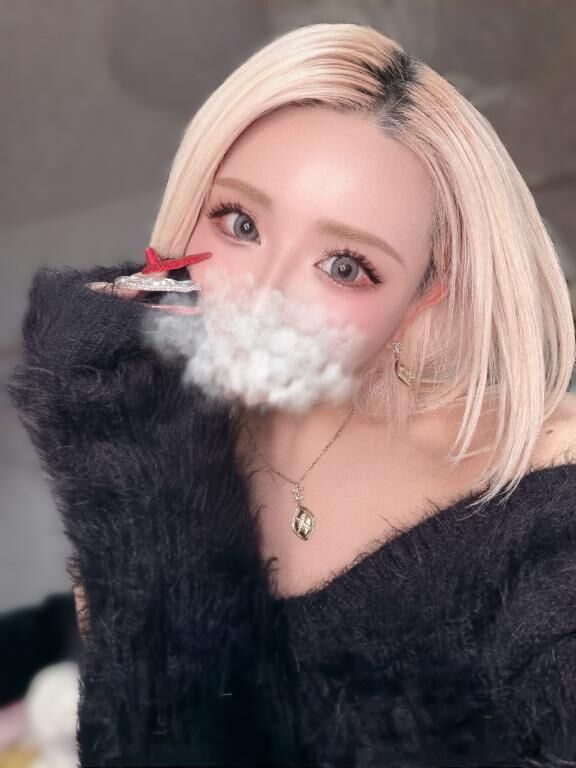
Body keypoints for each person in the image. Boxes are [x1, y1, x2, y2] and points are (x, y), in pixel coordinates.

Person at [8, 21, 576, 768]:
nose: (265, 293)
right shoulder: (148, 452)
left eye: (345, 266)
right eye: (239, 223)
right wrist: (110, 414)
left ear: (421, 299)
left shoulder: (541, 488)